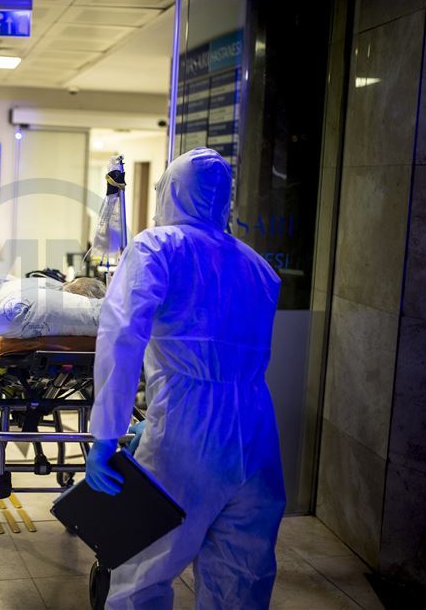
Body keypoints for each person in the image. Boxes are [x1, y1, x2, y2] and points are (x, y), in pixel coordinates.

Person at [85, 147, 285, 609]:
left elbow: (121, 338)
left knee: (143, 572)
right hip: (257, 435)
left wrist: (106, 435)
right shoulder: (259, 267)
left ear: (171, 191)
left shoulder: (157, 248)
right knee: (241, 582)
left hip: (185, 433)